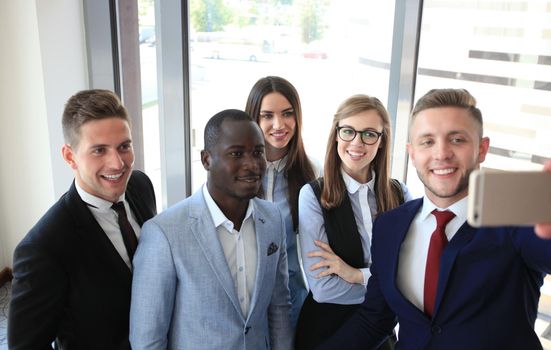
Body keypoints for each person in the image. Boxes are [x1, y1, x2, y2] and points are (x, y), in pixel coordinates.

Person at [319, 88, 551, 350]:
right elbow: (374, 319)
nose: (441, 153)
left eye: (457, 139)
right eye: (427, 141)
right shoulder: (390, 226)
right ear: (412, 153)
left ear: (482, 149)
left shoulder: (516, 220)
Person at [129, 109, 293, 350]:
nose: (252, 164)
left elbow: (279, 307)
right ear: (207, 159)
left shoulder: (272, 218)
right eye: (236, 154)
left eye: (258, 152)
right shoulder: (164, 233)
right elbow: (147, 340)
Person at [8, 89, 157, 349]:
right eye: (99, 150)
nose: (118, 164)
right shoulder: (43, 248)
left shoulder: (140, 186)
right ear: (69, 156)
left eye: (124, 146)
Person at [295, 94, 412, 349]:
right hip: (328, 332)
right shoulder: (313, 195)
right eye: (348, 131)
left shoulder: (400, 194)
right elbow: (324, 288)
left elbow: (412, 276)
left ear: (381, 141)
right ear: (336, 135)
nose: (357, 142)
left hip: (382, 334)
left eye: (369, 134)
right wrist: (388, 288)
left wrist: (354, 275)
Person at [245, 75, 318, 327]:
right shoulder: (236, 174)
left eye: (287, 114)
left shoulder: (314, 174)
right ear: (253, 118)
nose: (279, 124)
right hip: (246, 302)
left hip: (293, 300)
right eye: (267, 116)